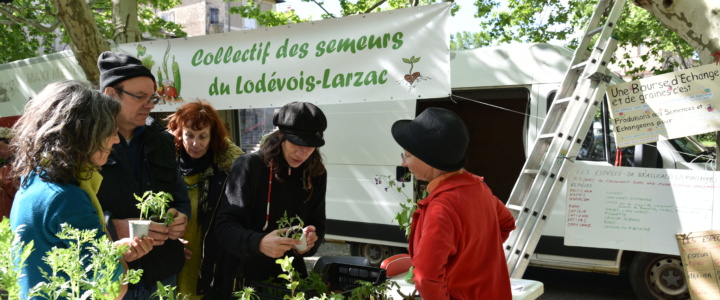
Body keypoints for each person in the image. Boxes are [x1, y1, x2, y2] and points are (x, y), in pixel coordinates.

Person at [9, 80, 154, 299]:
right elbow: (112, 288)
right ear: (83, 134)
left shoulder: (32, 181)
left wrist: (112, 250)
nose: (116, 139)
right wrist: (119, 261)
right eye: (110, 131)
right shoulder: (67, 198)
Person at [391, 107, 516, 300]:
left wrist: (466, 261)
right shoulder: (479, 187)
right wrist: (475, 257)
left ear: (429, 160)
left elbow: (426, 277)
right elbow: (506, 223)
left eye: (407, 155)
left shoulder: (441, 206)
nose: (403, 164)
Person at [96, 51, 191, 299]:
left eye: (152, 98)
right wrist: (112, 226)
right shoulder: (87, 143)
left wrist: (180, 217)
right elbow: (72, 209)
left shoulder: (161, 140)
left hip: (162, 273)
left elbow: (179, 196)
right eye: (140, 97)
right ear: (110, 95)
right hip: (114, 276)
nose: (149, 105)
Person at [215, 101, 327, 298]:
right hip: (245, 281)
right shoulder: (249, 166)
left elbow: (318, 224)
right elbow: (224, 228)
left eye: (310, 146)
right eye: (296, 143)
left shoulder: (316, 173)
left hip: (290, 280)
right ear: (281, 136)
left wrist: (309, 243)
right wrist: (258, 243)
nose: (302, 153)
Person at [164, 101, 244, 298]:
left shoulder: (225, 170)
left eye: (202, 136)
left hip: (209, 253)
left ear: (212, 137)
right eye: (189, 135)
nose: (195, 143)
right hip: (172, 249)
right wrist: (168, 244)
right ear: (179, 134)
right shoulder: (165, 166)